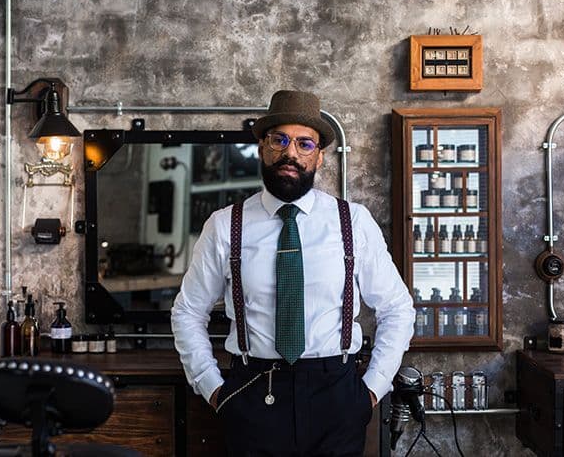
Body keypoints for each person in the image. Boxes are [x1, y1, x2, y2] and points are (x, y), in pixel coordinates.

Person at [171, 90, 415, 456]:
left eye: (304, 144)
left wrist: (370, 392)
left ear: (318, 157)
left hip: (337, 396)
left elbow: (397, 308)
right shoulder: (225, 226)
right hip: (252, 394)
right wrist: (213, 389)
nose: (291, 153)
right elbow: (187, 312)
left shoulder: (354, 222)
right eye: (279, 140)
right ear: (262, 147)